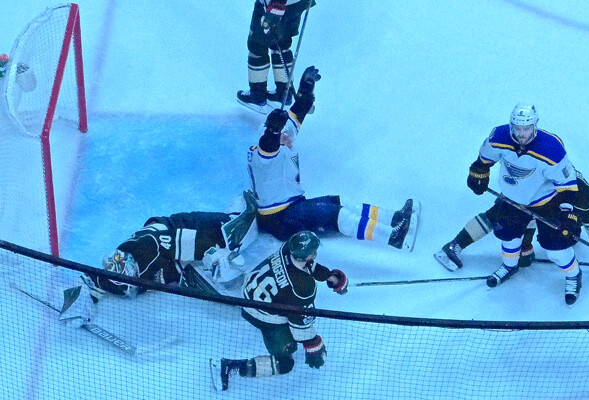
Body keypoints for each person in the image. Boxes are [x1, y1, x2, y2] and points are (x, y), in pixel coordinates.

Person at [247, 65, 420, 251]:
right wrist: (274, 131)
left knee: (342, 201)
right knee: (340, 215)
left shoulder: (283, 137)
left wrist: (306, 88)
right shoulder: (263, 157)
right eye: (283, 136)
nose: (290, 138)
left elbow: (296, 114)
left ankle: (395, 218)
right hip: (279, 217)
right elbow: (268, 145)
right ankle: (393, 237)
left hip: (293, 204)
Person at [57, 191, 259, 327]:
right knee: (212, 287)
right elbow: (89, 281)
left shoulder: (148, 248)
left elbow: (196, 241)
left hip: (180, 226)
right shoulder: (116, 276)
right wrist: (76, 307)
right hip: (175, 262)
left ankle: (238, 205)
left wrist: (216, 256)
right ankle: (189, 271)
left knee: (234, 233)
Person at [463, 103, 583, 305]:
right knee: (507, 235)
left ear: (534, 126)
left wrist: (566, 214)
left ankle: (574, 275)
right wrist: (478, 173)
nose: (521, 134)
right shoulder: (499, 137)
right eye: (517, 128)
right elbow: (484, 159)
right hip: (512, 200)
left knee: (556, 248)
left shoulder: (551, 149)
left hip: (546, 202)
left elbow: (568, 187)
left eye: (526, 129)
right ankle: (510, 266)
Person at [210, 230, 347, 391]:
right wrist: (313, 345)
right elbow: (300, 323)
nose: (316, 254)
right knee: (285, 362)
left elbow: (305, 266)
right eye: (314, 252)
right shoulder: (303, 287)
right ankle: (231, 366)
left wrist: (328, 276)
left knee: (287, 308)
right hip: (262, 316)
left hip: (248, 292)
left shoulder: (287, 249)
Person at [435, 170, 589, 272]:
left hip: (560, 215)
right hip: (528, 202)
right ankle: (455, 244)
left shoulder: (583, 195)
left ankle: (566, 234)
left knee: (559, 227)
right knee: (499, 216)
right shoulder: (532, 179)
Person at [237, 0, 315, 113]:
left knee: (257, 44)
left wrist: (277, 6)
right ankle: (283, 93)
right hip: (297, 3)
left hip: (275, 4)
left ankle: (257, 96)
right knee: (282, 43)